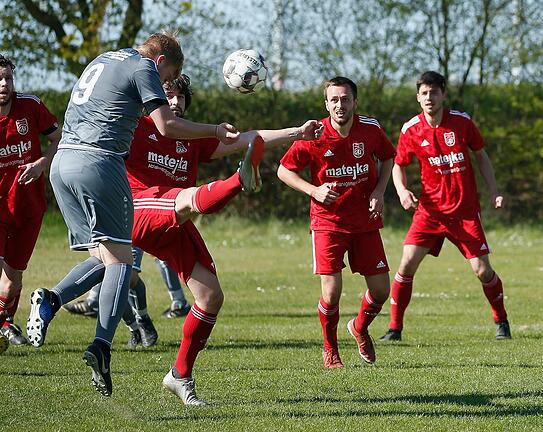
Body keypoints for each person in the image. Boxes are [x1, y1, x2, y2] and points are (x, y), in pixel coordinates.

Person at [25, 32, 240, 398]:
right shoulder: (144, 66)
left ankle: (53, 298)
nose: (163, 86)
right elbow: (167, 125)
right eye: (166, 77)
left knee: (105, 255)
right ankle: (102, 346)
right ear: (159, 62)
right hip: (99, 163)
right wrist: (215, 129)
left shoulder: (104, 58)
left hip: (64, 163)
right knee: (123, 262)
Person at [127, 74, 322, 404]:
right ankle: (237, 181)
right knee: (187, 198)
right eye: (167, 95)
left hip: (173, 218)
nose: (174, 102)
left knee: (210, 296)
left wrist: (297, 133)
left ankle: (180, 375)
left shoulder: (191, 137)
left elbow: (249, 138)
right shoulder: (136, 126)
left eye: (180, 97)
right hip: (137, 209)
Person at [380, 71, 509, 342]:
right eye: (424, 93)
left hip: (464, 212)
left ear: (443, 95)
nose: (429, 97)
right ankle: (394, 329)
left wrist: (494, 190)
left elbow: (481, 156)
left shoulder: (461, 123)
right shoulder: (410, 129)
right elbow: (398, 166)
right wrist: (402, 191)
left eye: (434, 92)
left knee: (482, 271)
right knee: (405, 265)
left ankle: (501, 321)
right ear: (418, 97)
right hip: (429, 212)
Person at [277, 76, 394, 369]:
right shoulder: (315, 134)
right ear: (326, 104)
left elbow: (388, 158)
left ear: (355, 101)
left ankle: (359, 327)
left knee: (381, 291)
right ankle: (330, 349)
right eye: (334, 100)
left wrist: (379, 192)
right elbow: (283, 171)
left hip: (364, 221)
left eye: (345, 99)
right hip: (327, 222)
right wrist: (314, 190)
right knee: (331, 292)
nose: (340, 105)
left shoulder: (370, 129)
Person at [0, 54, 61, 347]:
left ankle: (5, 322)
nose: (4, 84)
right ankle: (4, 325)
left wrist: (41, 164)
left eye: (8, 78)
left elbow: (58, 139)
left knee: (13, 279)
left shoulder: (31, 106)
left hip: (29, 207)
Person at [63, 254, 190, 319]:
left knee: (124, 265)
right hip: (137, 209)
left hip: (140, 209)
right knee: (111, 254)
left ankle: (139, 324)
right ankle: (94, 301)